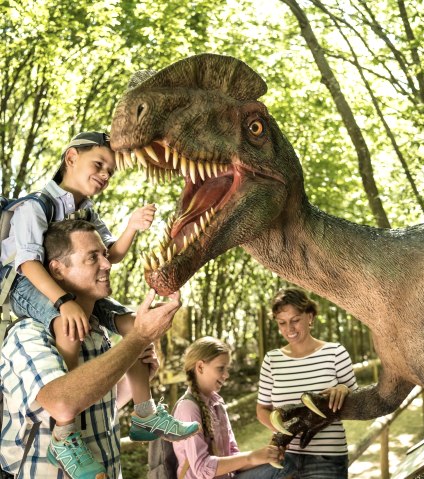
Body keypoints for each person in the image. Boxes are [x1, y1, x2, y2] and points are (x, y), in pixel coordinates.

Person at [0, 132, 197, 476]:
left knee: (135, 323)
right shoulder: (35, 207)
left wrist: (132, 227)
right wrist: (63, 302)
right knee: (67, 324)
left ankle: (145, 412)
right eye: (99, 165)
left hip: (64, 288)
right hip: (27, 284)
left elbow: (114, 254)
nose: (105, 175)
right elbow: (29, 263)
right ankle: (66, 433)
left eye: (111, 170)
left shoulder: (86, 210)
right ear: (71, 157)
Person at [256, 288, 358, 479]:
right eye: (282, 323)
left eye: (295, 320)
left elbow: (357, 402)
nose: (289, 329)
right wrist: (282, 432)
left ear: (309, 317)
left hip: (327, 458)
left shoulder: (336, 353)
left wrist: (344, 389)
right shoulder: (271, 360)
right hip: (284, 459)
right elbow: (262, 409)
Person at [172, 336, 289, 479]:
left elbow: (232, 457)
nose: (226, 375)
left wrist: (265, 455)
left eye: (227, 368)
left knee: (286, 463)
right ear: (200, 367)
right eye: (221, 368)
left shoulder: (217, 404)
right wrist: (250, 457)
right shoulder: (188, 409)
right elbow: (201, 468)